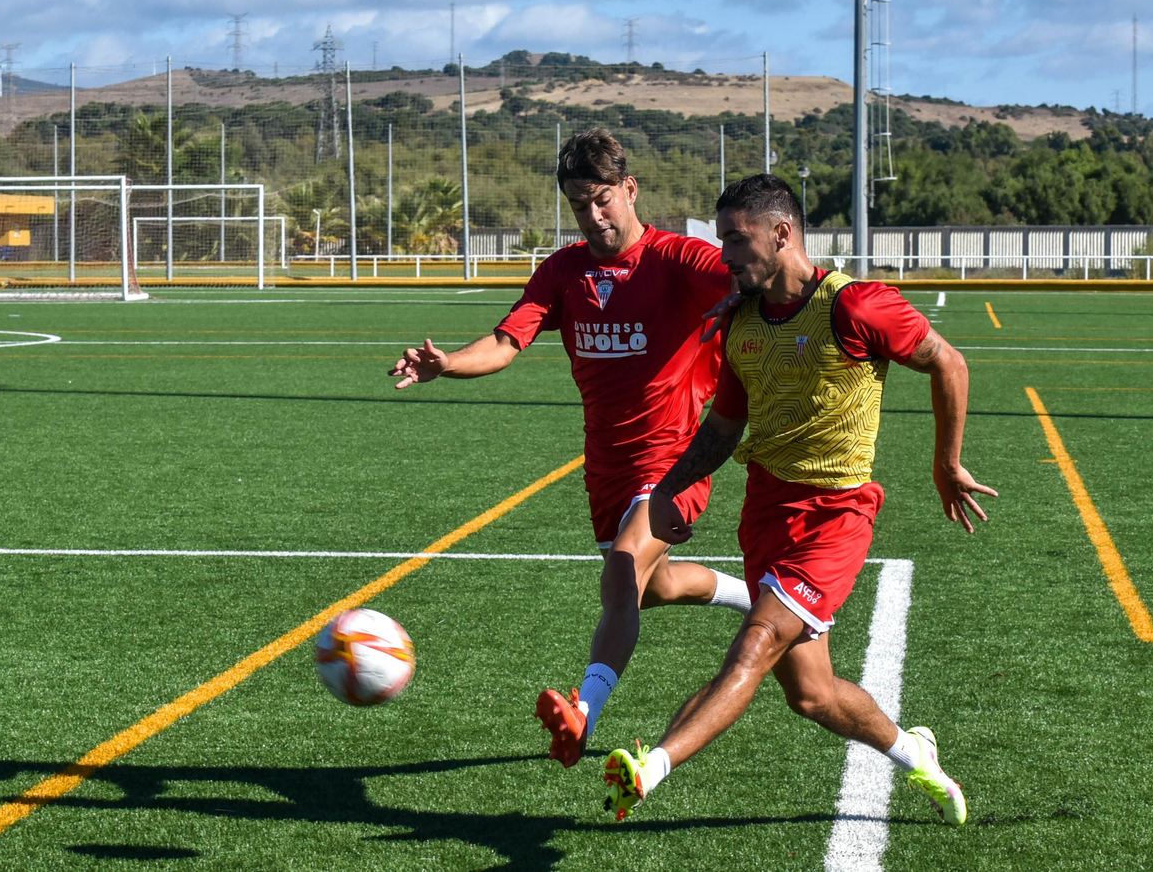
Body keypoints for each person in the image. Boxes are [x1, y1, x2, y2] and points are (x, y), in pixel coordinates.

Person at [601, 174, 997, 826]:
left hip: (837, 516)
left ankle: (651, 767)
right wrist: (667, 493)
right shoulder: (742, 324)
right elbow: (724, 430)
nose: (724, 255)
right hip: (766, 514)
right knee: (811, 695)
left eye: (735, 239)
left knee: (756, 641)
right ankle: (915, 753)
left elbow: (948, 363)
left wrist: (946, 464)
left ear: (782, 233)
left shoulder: (856, 306)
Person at [389, 128, 753, 770]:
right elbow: (506, 342)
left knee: (621, 568)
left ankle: (583, 714)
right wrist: (447, 364)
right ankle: (753, 595)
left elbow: (747, 272)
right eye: (580, 203)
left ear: (630, 189)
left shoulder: (677, 258)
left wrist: (747, 291)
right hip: (607, 464)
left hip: (677, 457)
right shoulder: (561, 271)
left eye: (603, 198)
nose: (594, 215)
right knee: (651, 587)